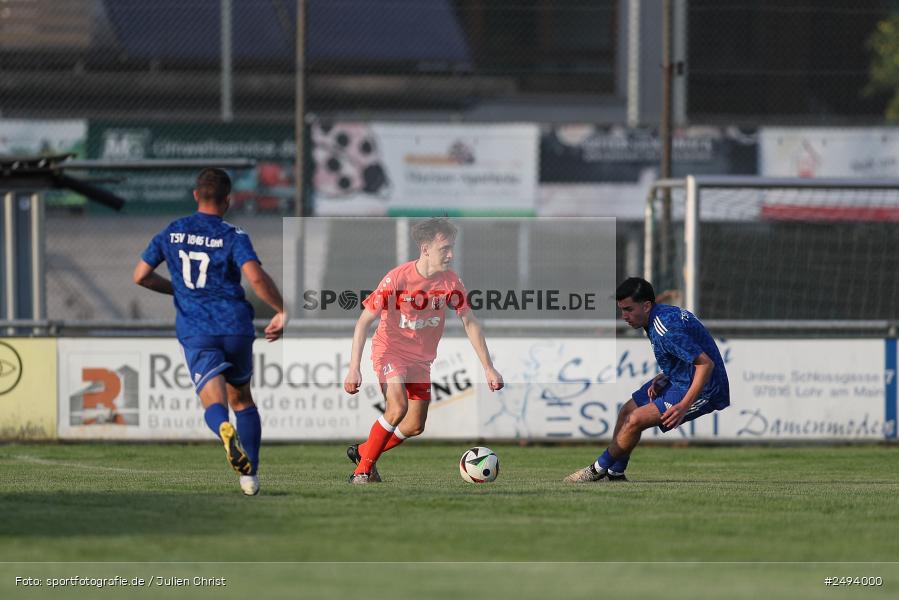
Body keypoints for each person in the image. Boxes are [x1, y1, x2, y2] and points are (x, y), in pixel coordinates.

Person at [133, 168, 285, 496]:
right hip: (235, 327)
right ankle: (250, 476)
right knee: (242, 400)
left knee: (213, 403)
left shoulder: (172, 232)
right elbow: (255, 278)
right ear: (227, 200)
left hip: (197, 329)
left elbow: (141, 275)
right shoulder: (234, 235)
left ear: (195, 196)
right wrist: (282, 309)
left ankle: (223, 430)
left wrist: (180, 290)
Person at [343, 217, 504, 484]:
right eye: (444, 249)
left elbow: (470, 322)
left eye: (452, 248)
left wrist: (488, 367)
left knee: (414, 425)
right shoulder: (397, 278)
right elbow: (363, 323)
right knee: (397, 408)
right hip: (390, 351)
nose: (451, 254)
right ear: (425, 249)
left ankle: (363, 452)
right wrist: (353, 368)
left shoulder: (451, 282)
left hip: (421, 360)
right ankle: (362, 473)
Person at [565, 277, 729, 483]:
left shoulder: (665, 329)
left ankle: (596, 470)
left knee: (635, 420)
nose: (624, 316)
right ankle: (615, 474)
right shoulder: (661, 316)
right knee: (627, 411)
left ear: (646, 305)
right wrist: (666, 374)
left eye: (629, 309)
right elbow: (689, 352)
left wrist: (685, 405)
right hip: (681, 377)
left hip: (704, 387)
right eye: (621, 310)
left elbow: (706, 364)